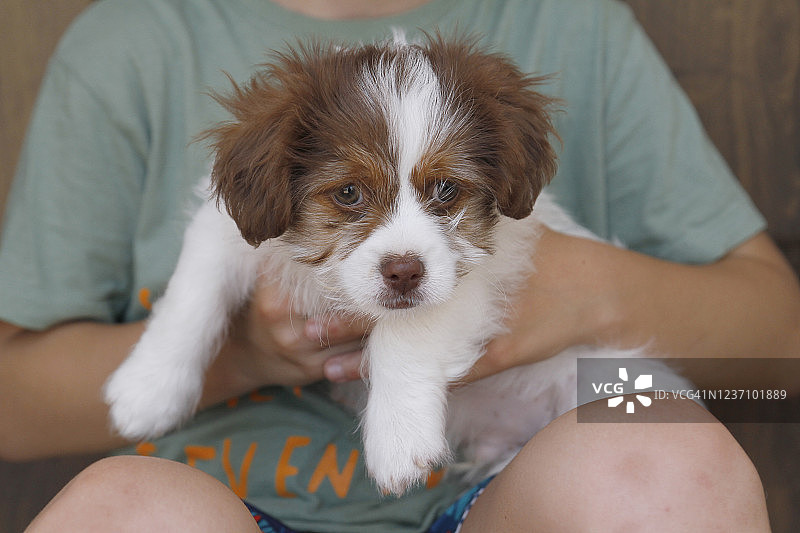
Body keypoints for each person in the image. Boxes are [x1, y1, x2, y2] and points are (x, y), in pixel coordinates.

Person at [2, 0, 799, 531]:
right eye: (351, 195)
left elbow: (776, 368)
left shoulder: (573, 20)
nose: (405, 250)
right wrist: (218, 351)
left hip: (515, 491)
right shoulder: (137, 40)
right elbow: (218, 226)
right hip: (225, 507)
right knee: (117, 510)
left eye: (444, 192)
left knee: (674, 445)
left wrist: (591, 293)